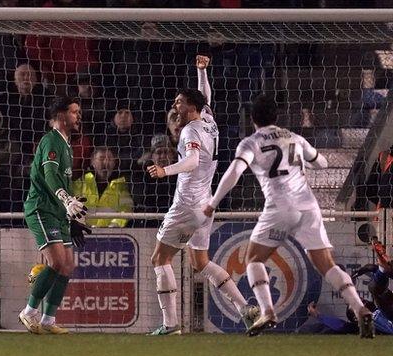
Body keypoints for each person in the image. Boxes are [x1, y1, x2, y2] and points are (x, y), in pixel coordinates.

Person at [204, 94, 375, 338]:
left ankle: (267, 311)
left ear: (252, 119)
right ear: (277, 117)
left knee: (253, 259)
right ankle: (359, 308)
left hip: (279, 207)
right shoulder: (294, 137)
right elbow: (322, 163)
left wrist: (212, 203)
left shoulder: (250, 143)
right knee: (327, 264)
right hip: (308, 207)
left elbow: (235, 171)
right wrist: (311, 161)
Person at [145, 55, 257, 335]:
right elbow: (205, 96)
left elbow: (193, 160)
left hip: (187, 203)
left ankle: (170, 324)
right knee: (200, 262)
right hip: (207, 203)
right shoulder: (208, 120)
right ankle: (246, 308)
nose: (175, 105)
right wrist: (201, 71)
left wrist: (164, 170)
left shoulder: (189, 131)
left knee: (160, 259)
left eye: (180, 102)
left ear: (191, 107)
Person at [19, 97, 87, 335]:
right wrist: (65, 199)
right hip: (42, 208)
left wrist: (71, 214)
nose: (78, 116)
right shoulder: (51, 140)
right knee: (56, 262)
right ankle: (28, 312)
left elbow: (61, 179)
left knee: (67, 265)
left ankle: (48, 320)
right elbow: (49, 174)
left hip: (59, 212)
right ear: (60, 116)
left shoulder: (67, 144)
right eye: (74, 112)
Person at [72, 147, 133, 228]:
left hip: (109, 235)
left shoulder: (120, 185)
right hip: (83, 232)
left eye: (110, 159)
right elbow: (71, 206)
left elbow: (126, 209)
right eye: (101, 158)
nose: (106, 162)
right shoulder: (82, 182)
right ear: (92, 161)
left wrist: (115, 225)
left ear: (114, 163)